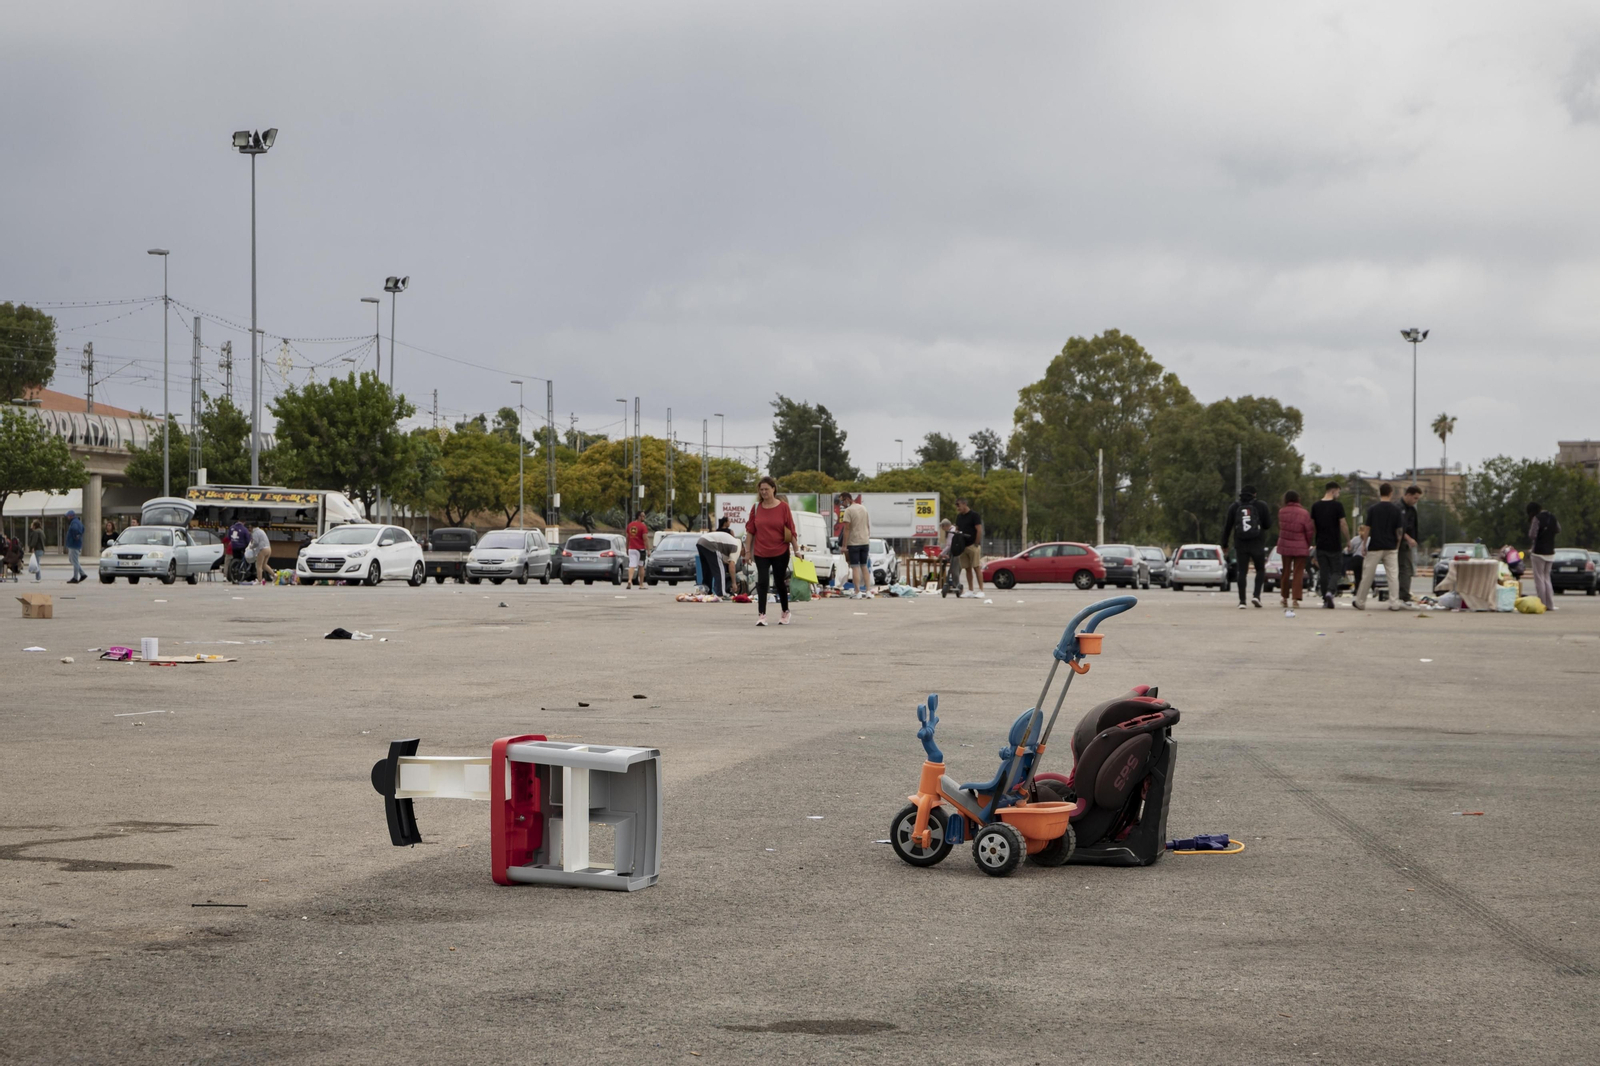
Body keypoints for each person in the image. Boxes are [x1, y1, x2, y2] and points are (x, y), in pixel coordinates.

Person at [743, 475, 797, 626]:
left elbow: (791, 530)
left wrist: (797, 550)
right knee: (763, 582)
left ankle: (785, 611)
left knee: (779, 582)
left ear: (773, 489)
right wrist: (747, 552)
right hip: (761, 551)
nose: (764, 492)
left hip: (780, 551)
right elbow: (750, 531)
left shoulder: (783, 507)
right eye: (761, 490)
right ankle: (762, 615)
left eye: (766, 489)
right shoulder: (756, 508)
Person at [1354, 483, 1404, 611]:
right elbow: (1399, 531)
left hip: (1375, 546)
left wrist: (1364, 544)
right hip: (1391, 547)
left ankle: (1360, 602)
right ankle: (1394, 603)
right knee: (1393, 576)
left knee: (1367, 575)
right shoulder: (1396, 510)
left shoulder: (1373, 509)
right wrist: (1397, 546)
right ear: (1391, 493)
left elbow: (1367, 528)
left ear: (1379, 493)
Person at [1221, 485, 1272, 609]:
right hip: (1257, 543)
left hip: (1241, 543)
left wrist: (1224, 544)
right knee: (1260, 570)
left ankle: (1242, 601)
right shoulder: (1261, 505)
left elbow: (1227, 527)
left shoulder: (1234, 507)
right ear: (1255, 494)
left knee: (1242, 571)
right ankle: (1256, 596)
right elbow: (1267, 525)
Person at [1309, 481, 1349, 609]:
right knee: (1337, 571)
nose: (1338, 495)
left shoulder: (1316, 506)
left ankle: (1325, 600)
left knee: (1324, 571)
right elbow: (1343, 523)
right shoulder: (1337, 506)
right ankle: (1330, 592)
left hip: (1321, 543)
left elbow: (1312, 525)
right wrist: (1348, 540)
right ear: (1333, 491)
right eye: (1338, 492)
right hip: (1334, 544)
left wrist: (1315, 538)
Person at [1275, 490, 1315, 612]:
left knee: (1286, 572)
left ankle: (1284, 598)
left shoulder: (1282, 512)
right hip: (1300, 545)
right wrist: (1307, 544)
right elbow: (1309, 531)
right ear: (1298, 499)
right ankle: (1295, 599)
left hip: (1285, 545)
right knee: (1298, 573)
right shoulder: (1304, 513)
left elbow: (1282, 527)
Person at [1527, 501, 1560, 611]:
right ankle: (1550, 604)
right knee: (1547, 578)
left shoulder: (1537, 518)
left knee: (1539, 579)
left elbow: (1532, 535)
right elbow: (1558, 529)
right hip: (1550, 551)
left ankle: (1542, 603)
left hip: (1538, 552)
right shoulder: (1552, 517)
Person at [839, 492, 873, 598]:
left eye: (842, 501)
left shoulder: (848, 511)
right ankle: (868, 591)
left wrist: (844, 546)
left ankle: (857, 592)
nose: (842, 504)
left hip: (854, 542)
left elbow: (846, 529)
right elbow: (868, 525)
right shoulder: (863, 508)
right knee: (864, 566)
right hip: (865, 541)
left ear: (847, 499)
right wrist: (867, 537)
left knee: (855, 567)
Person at [697, 519, 741, 599]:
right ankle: (721, 593)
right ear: (743, 549)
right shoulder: (737, 546)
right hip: (710, 543)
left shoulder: (731, 543)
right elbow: (732, 565)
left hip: (701, 541)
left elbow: (723, 560)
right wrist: (734, 583)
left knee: (707, 570)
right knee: (720, 570)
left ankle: (707, 591)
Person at [1395, 485, 1423, 604]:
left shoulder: (1412, 510)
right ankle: (1403, 594)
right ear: (1408, 495)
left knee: (1407, 568)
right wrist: (1409, 539)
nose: (1415, 501)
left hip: (1407, 543)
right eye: (1415, 498)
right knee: (1404, 568)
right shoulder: (1398, 507)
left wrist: (1415, 539)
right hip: (1399, 543)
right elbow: (1399, 527)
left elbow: (1414, 526)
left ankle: (1403, 592)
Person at [954, 498, 983, 596]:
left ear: (964, 504)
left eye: (959, 505)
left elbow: (979, 530)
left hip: (973, 545)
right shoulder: (959, 517)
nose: (958, 508)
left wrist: (976, 543)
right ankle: (970, 590)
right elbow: (957, 529)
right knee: (967, 568)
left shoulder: (974, 515)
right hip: (963, 546)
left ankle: (981, 590)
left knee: (976, 567)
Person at [625, 511, 649, 589]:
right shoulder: (643, 526)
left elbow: (627, 538)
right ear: (639, 517)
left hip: (631, 549)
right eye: (643, 516)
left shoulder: (630, 525)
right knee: (641, 566)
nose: (644, 518)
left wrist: (627, 548)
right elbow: (645, 539)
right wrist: (648, 550)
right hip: (640, 549)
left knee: (632, 565)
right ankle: (641, 584)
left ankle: (629, 580)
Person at [64, 509, 85, 583]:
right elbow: (83, 528)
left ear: (70, 516)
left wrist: (75, 536)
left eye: (68, 516)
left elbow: (74, 529)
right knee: (72, 560)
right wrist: (79, 535)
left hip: (73, 544)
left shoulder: (74, 523)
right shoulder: (77, 522)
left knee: (74, 561)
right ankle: (82, 574)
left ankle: (75, 578)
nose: (67, 518)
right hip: (75, 544)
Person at [1346, 526, 1369, 592]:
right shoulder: (1369, 539)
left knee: (1357, 575)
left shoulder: (1355, 539)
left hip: (1356, 559)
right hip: (1364, 559)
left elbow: (1349, 549)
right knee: (1366, 575)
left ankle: (1357, 590)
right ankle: (1373, 587)